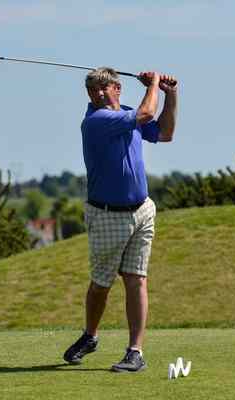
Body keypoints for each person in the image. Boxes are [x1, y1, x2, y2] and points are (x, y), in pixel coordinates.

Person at [63, 67, 178, 372]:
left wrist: (171, 95)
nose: (98, 94)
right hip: (106, 214)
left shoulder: (129, 112)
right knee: (101, 284)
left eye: (103, 88)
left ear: (117, 88)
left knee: (137, 279)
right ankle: (90, 335)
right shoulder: (96, 121)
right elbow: (144, 115)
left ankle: (135, 352)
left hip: (142, 209)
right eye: (92, 90)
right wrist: (153, 84)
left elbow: (165, 133)